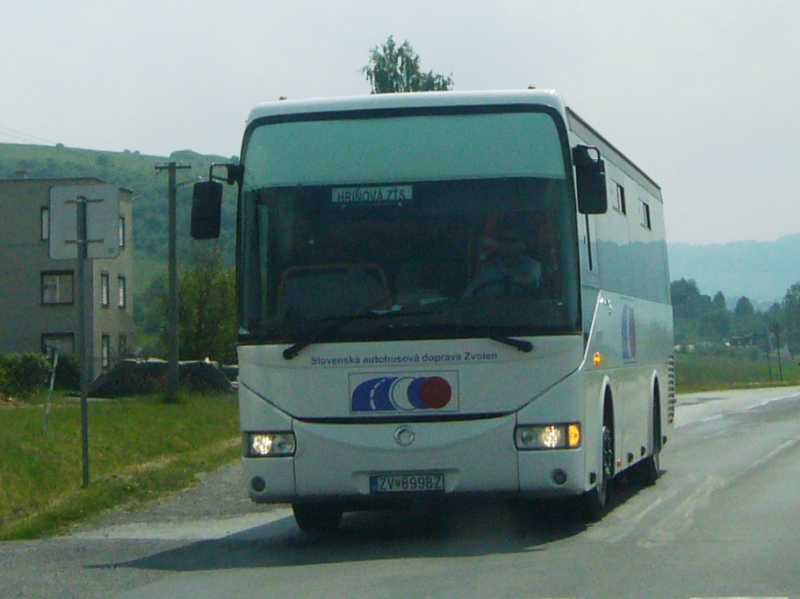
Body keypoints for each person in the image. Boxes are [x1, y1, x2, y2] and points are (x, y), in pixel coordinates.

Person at [465, 229, 542, 297]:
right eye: (505, 241)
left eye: (513, 241)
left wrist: (519, 280)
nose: (509, 245)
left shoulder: (531, 265)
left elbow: (531, 280)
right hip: (491, 307)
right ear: (499, 244)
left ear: (522, 244)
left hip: (524, 307)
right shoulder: (487, 268)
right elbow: (470, 294)